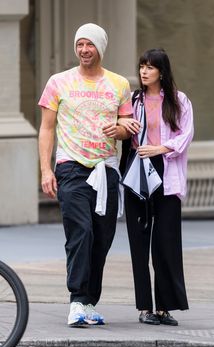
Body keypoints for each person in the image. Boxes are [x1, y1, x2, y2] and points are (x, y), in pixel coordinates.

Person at [38, 23, 132, 327]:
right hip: (71, 168)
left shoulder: (119, 85)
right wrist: (45, 169)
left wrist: (119, 129)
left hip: (106, 169)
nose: (83, 50)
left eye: (89, 44)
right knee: (81, 231)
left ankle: (89, 301)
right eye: (79, 44)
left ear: (100, 48)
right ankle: (76, 300)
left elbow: (127, 125)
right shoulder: (58, 82)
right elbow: (47, 128)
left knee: (102, 237)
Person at [118, 48, 194, 326]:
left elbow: (186, 135)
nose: (144, 71)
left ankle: (164, 307)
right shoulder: (133, 100)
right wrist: (123, 124)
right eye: (142, 66)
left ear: (162, 71)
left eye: (150, 67)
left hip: (166, 171)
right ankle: (144, 307)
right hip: (137, 172)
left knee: (166, 242)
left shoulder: (179, 100)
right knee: (139, 242)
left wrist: (161, 148)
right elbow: (122, 130)